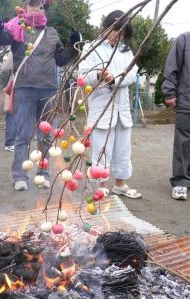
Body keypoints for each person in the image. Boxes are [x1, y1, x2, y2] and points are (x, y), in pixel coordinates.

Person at [0, 0, 81, 191]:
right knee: (22, 135)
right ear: (24, 8)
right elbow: (1, 38)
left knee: (46, 136)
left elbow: (61, 59)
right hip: (24, 89)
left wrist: (74, 44)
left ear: (44, 9)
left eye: (38, 5)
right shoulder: (17, 28)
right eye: (30, 5)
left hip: (48, 89)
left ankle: (43, 173)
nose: (34, 9)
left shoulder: (52, 32)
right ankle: (20, 175)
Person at [79, 10, 141, 199]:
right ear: (106, 27)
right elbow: (82, 74)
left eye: (122, 34)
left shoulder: (126, 50)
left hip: (122, 109)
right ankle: (102, 184)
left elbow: (132, 73)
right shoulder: (92, 47)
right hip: (102, 107)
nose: (117, 36)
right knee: (101, 149)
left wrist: (115, 78)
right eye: (115, 31)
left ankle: (120, 184)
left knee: (123, 149)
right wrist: (98, 75)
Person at [162, 32, 190, 201]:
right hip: (187, 100)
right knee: (183, 141)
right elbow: (172, 67)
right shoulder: (184, 40)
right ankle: (180, 181)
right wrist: (169, 91)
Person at [1, 49, 16, 152]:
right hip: (15, 84)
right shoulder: (13, 49)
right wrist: (7, 84)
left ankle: (12, 142)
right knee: (12, 114)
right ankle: (10, 142)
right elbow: (6, 69)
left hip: (15, 83)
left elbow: (5, 69)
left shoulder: (11, 49)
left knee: (12, 113)